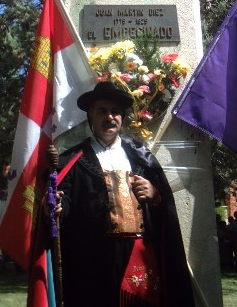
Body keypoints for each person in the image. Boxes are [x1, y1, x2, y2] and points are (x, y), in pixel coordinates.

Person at [56, 81, 195, 307]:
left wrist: (156, 196)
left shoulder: (142, 157)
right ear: (90, 116)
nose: (109, 117)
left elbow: (164, 210)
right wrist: (58, 208)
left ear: (122, 117)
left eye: (115, 111)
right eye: (102, 111)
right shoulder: (73, 160)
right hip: (94, 260)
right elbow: (65, 202)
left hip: (139, 259)